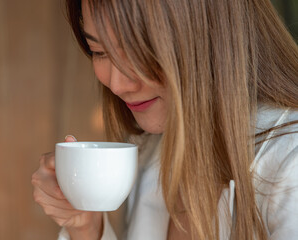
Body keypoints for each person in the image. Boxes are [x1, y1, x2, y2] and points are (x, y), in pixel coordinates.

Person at [31, 0, 298, 239]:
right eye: (99, 51)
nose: (117, 84)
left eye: (139, 53)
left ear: (212, 36)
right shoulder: (154, 152)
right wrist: (86, 228)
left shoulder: (290, 166)